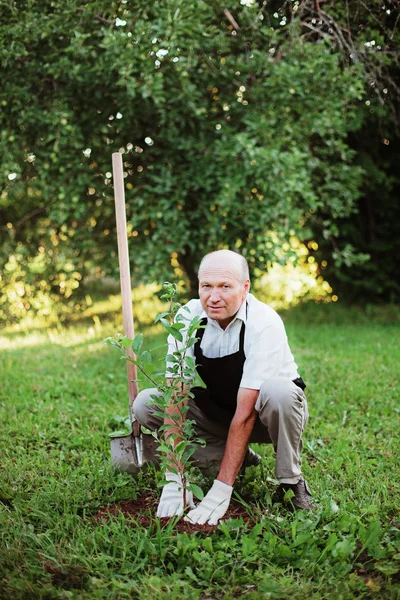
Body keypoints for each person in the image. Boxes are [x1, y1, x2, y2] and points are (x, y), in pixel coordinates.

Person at [134, 249, 313, 525]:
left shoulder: (264, 323)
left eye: (225, 287)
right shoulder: (187, 318)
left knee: (280, 392)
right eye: (206, 286)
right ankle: (239, 460)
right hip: (220, 413)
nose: (213, 297)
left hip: (268, 418)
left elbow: (246, 415)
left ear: (245, 288)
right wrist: (175, 476)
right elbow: (176, 398)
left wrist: (222, 489)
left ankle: (290, 482)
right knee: (147, 403)